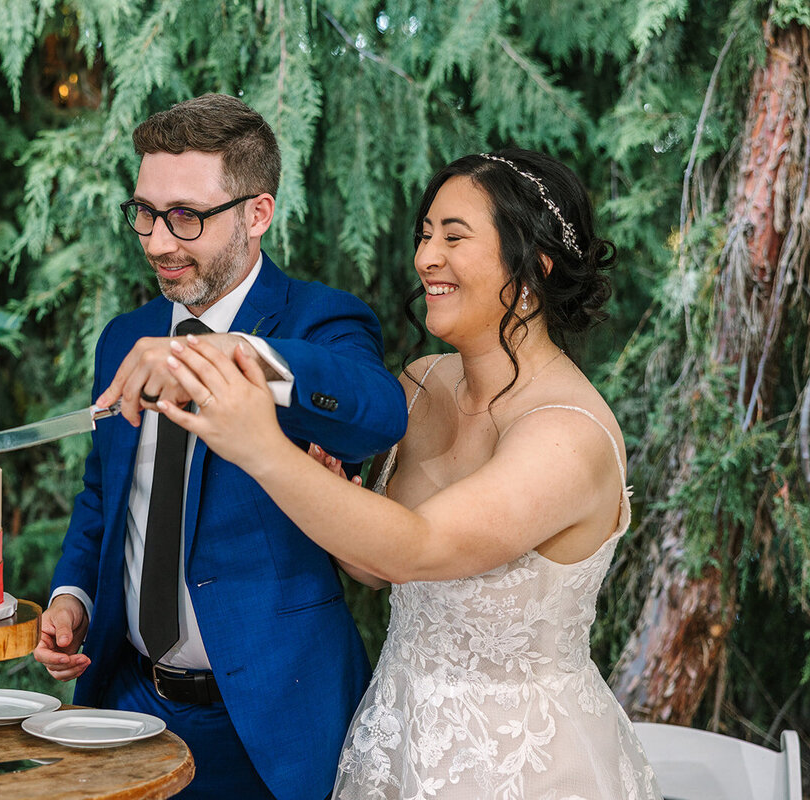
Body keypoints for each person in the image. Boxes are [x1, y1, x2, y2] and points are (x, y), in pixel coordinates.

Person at [154, 149, 663, 799]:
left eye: (454, 236)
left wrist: (261, 447)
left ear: (535, 265)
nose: (425, 258)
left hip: (523, 765)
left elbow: (422, 546)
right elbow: (378, 565)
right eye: (425, 235)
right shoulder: (421, 383)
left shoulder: (568, 434)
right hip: (394, 743)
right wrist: (331, 488)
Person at [32, 93, 408, 800]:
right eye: (144, 212)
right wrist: (72, 597)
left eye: (186, 218)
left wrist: (235, 355)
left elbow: (378, 410)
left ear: (256, 214)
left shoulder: (319, 321)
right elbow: (103, 498)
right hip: (129, 704)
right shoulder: (125, 336)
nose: (156, 242)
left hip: (273, 717)